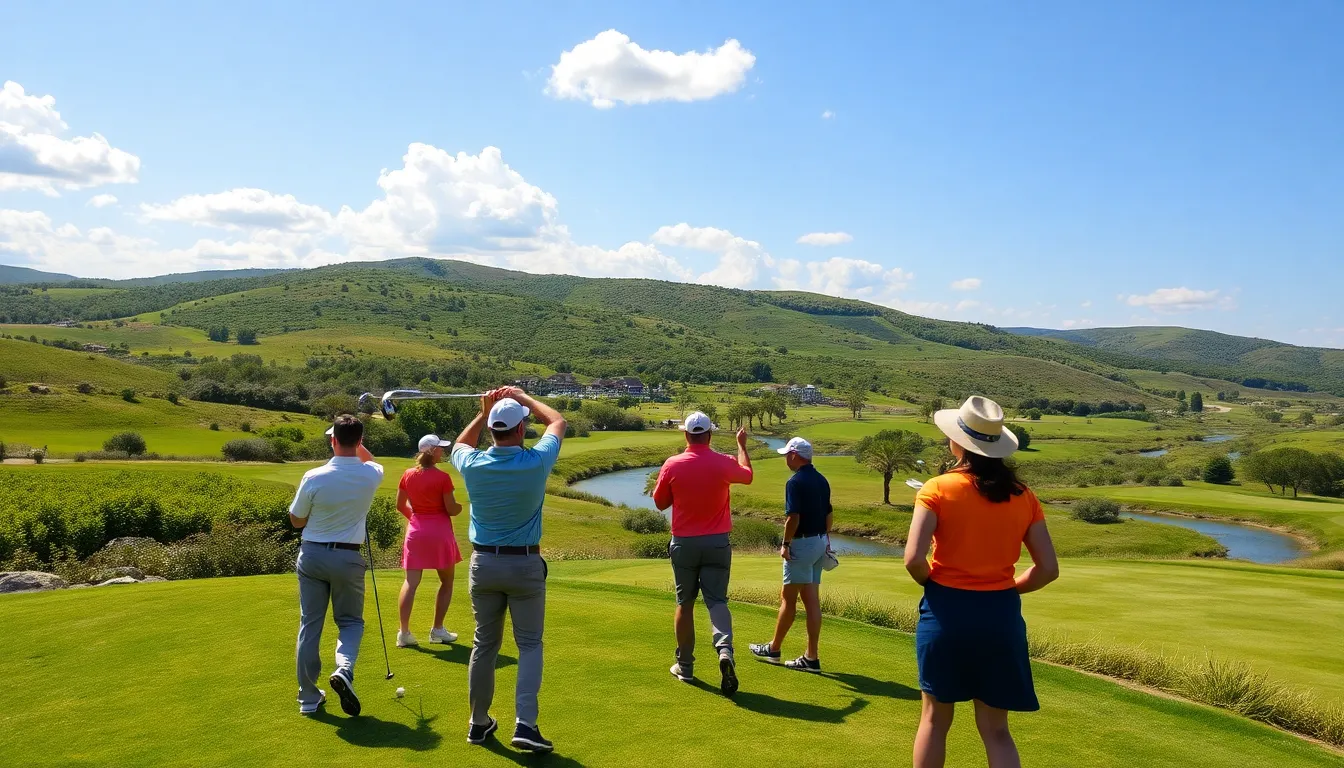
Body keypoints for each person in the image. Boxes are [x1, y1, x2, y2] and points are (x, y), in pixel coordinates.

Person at [903, 396, 1060, 768]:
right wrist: (1007, 589)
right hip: (1000, 616)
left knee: (934, 721)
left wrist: (936, 584)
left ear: (958, 442)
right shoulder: (1024, 496)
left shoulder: (937, 488)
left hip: (946, 613)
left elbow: (913, 559)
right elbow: (1048, 569)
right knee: (997, 731)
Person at [452, 387, 566, 753]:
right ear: (520, 430)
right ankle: (526, 724)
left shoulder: (472, 463)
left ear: (492, 430)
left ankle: (478, 722)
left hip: (483, 564)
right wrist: (525, 396)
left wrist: (483, 413)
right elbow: (558, 421)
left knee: (484, 645)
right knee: (529, 644)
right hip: (525, 565)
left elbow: (459, 443)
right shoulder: (536, 461)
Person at [288, 415, 385, 717]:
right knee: (351, 622)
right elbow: (368, 458)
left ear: (332, 441)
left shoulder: (313, 476)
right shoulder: (372, 473)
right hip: (348, 558)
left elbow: (296, 520)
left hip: (313, 555)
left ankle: (308, 698)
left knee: (310, 624)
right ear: (359, 441)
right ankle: (344, 668)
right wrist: (357, 441)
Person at [652, 411, 753, 697]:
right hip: (718, 543)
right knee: (717, 601)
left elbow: (660, 504)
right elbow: (747, 476)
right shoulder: (723, 462)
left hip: (684, 543)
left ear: (686, 435)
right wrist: (741, 446)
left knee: (684, 603)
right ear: (709, 435)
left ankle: (685, 666)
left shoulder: (673, 464)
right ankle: (724, 651)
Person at [749, 436, 832, 672]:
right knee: (811, 599)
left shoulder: (794, 482)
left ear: (795, 455)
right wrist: (824, 540)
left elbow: (792, 517)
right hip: (818, 542)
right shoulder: (822, 480)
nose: (786, 458)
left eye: (787, 454)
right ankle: (811, 657)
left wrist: (785, 544)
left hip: (802, 544)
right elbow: (829, 515)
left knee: (788, 598)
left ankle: (774, 649)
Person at [395, 433, 464, 648]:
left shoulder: (408, 475)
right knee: (447, 581)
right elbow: (451, 509)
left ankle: (404, 633)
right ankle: (437, 630)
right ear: (432, 451)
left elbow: (400, 505)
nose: (443, 451)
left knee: (411, 583)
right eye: (440, 448)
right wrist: (460, 507)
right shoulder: (443, 478)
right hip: (440, 534)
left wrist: (416, 519)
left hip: (416, 533)